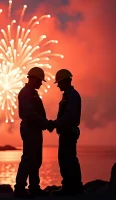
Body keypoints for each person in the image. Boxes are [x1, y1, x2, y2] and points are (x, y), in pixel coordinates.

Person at [14, 67, 52, 198]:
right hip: (30, 128)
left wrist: (44, 123)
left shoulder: (32, 93)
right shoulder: (26, 93)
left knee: (35, 159)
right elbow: (30, 114)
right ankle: (20, 187)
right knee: (28, 158)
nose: (41, 83)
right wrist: (46, 123)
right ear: (34, 79)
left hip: (35, 128)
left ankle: (34, 187)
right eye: (40, 81)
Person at [47, 69, 83, 196]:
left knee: (68, 159)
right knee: (67, 158)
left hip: (68, 132)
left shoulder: (72, 96)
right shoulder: (68, 95)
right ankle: (72, 186)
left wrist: (54, 124)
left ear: (66, 81)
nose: (58, 85)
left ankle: (71, 187)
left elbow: (68, 116)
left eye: (59, 82)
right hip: (66, 132)